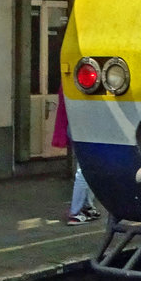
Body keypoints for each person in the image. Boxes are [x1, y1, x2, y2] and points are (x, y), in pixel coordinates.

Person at [53, 88, 100, 225]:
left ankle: (87, 206)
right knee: (85, 169)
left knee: (91, 168)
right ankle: (76, 212)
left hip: (77, 125)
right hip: (84, 126)